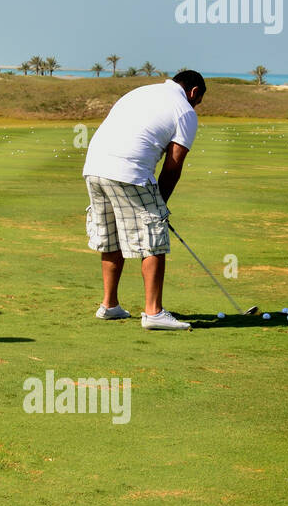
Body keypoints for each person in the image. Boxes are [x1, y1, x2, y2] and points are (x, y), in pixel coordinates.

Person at [81, 70, 206, 330]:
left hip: (94, 168)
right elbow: (173, 164)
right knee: (154, 240)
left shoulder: (140, 91)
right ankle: (153, 313)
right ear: (194, 92)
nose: (196, 105)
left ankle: (109, 305)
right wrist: (160, 204)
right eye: (199, 100)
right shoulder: (185, 110)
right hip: (129, 172)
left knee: (111, 236)